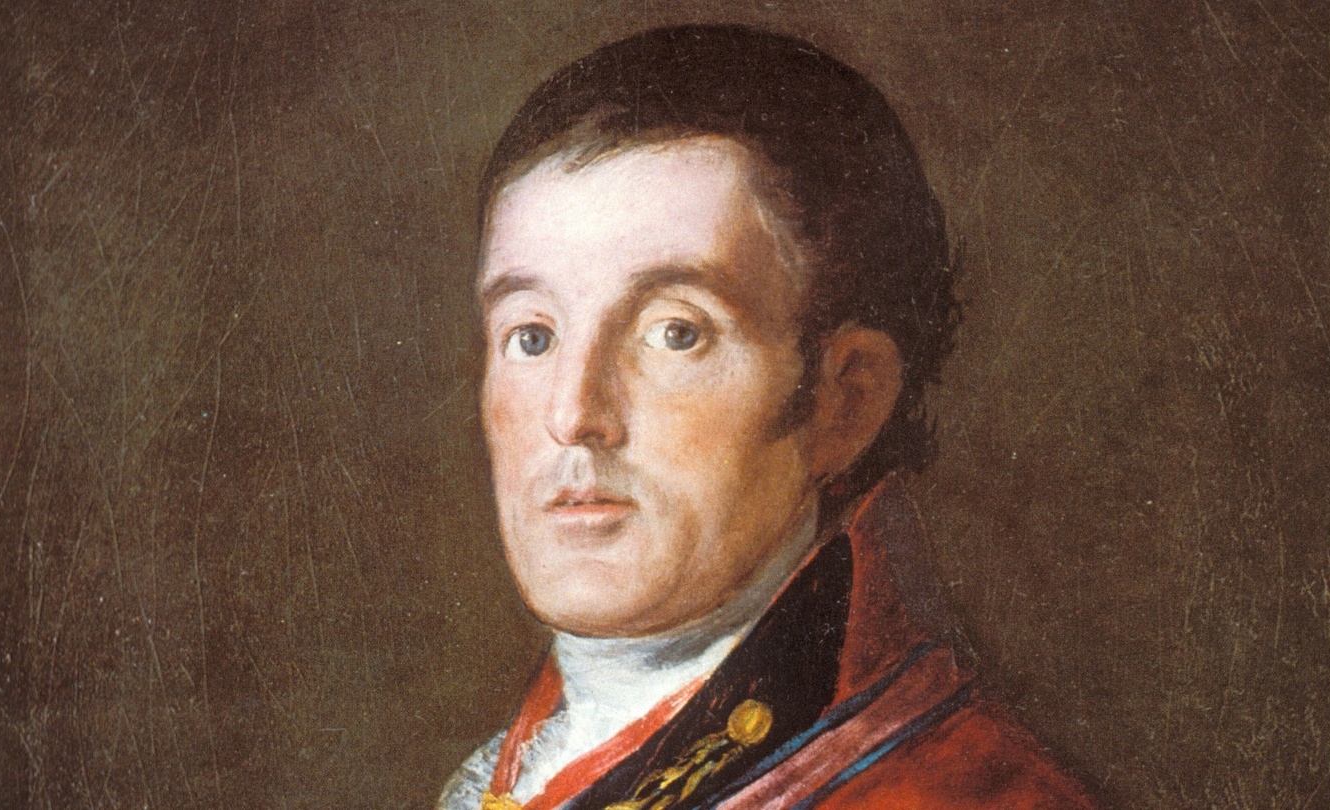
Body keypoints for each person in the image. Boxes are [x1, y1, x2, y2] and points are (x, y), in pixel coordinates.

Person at [440, 24, 1096, 810]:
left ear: (845, 401)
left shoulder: (964, 793)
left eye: (675, 333)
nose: (573, 413)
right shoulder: (513, 773)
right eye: (532, 336)